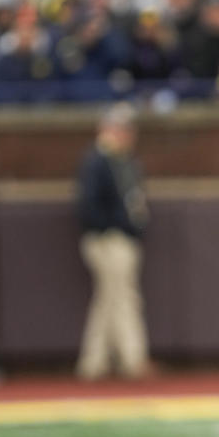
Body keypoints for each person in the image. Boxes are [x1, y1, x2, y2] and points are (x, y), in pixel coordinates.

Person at [75, 102, 151, 381]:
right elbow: (89, 206)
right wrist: (115, 227)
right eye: (121, 129)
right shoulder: (98, 161)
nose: (127, 134)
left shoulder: (123, 160)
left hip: (121, 236)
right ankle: (133, 359)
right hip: (108, 239)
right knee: (123, 298)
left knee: (108, 300)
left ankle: (93, 363)